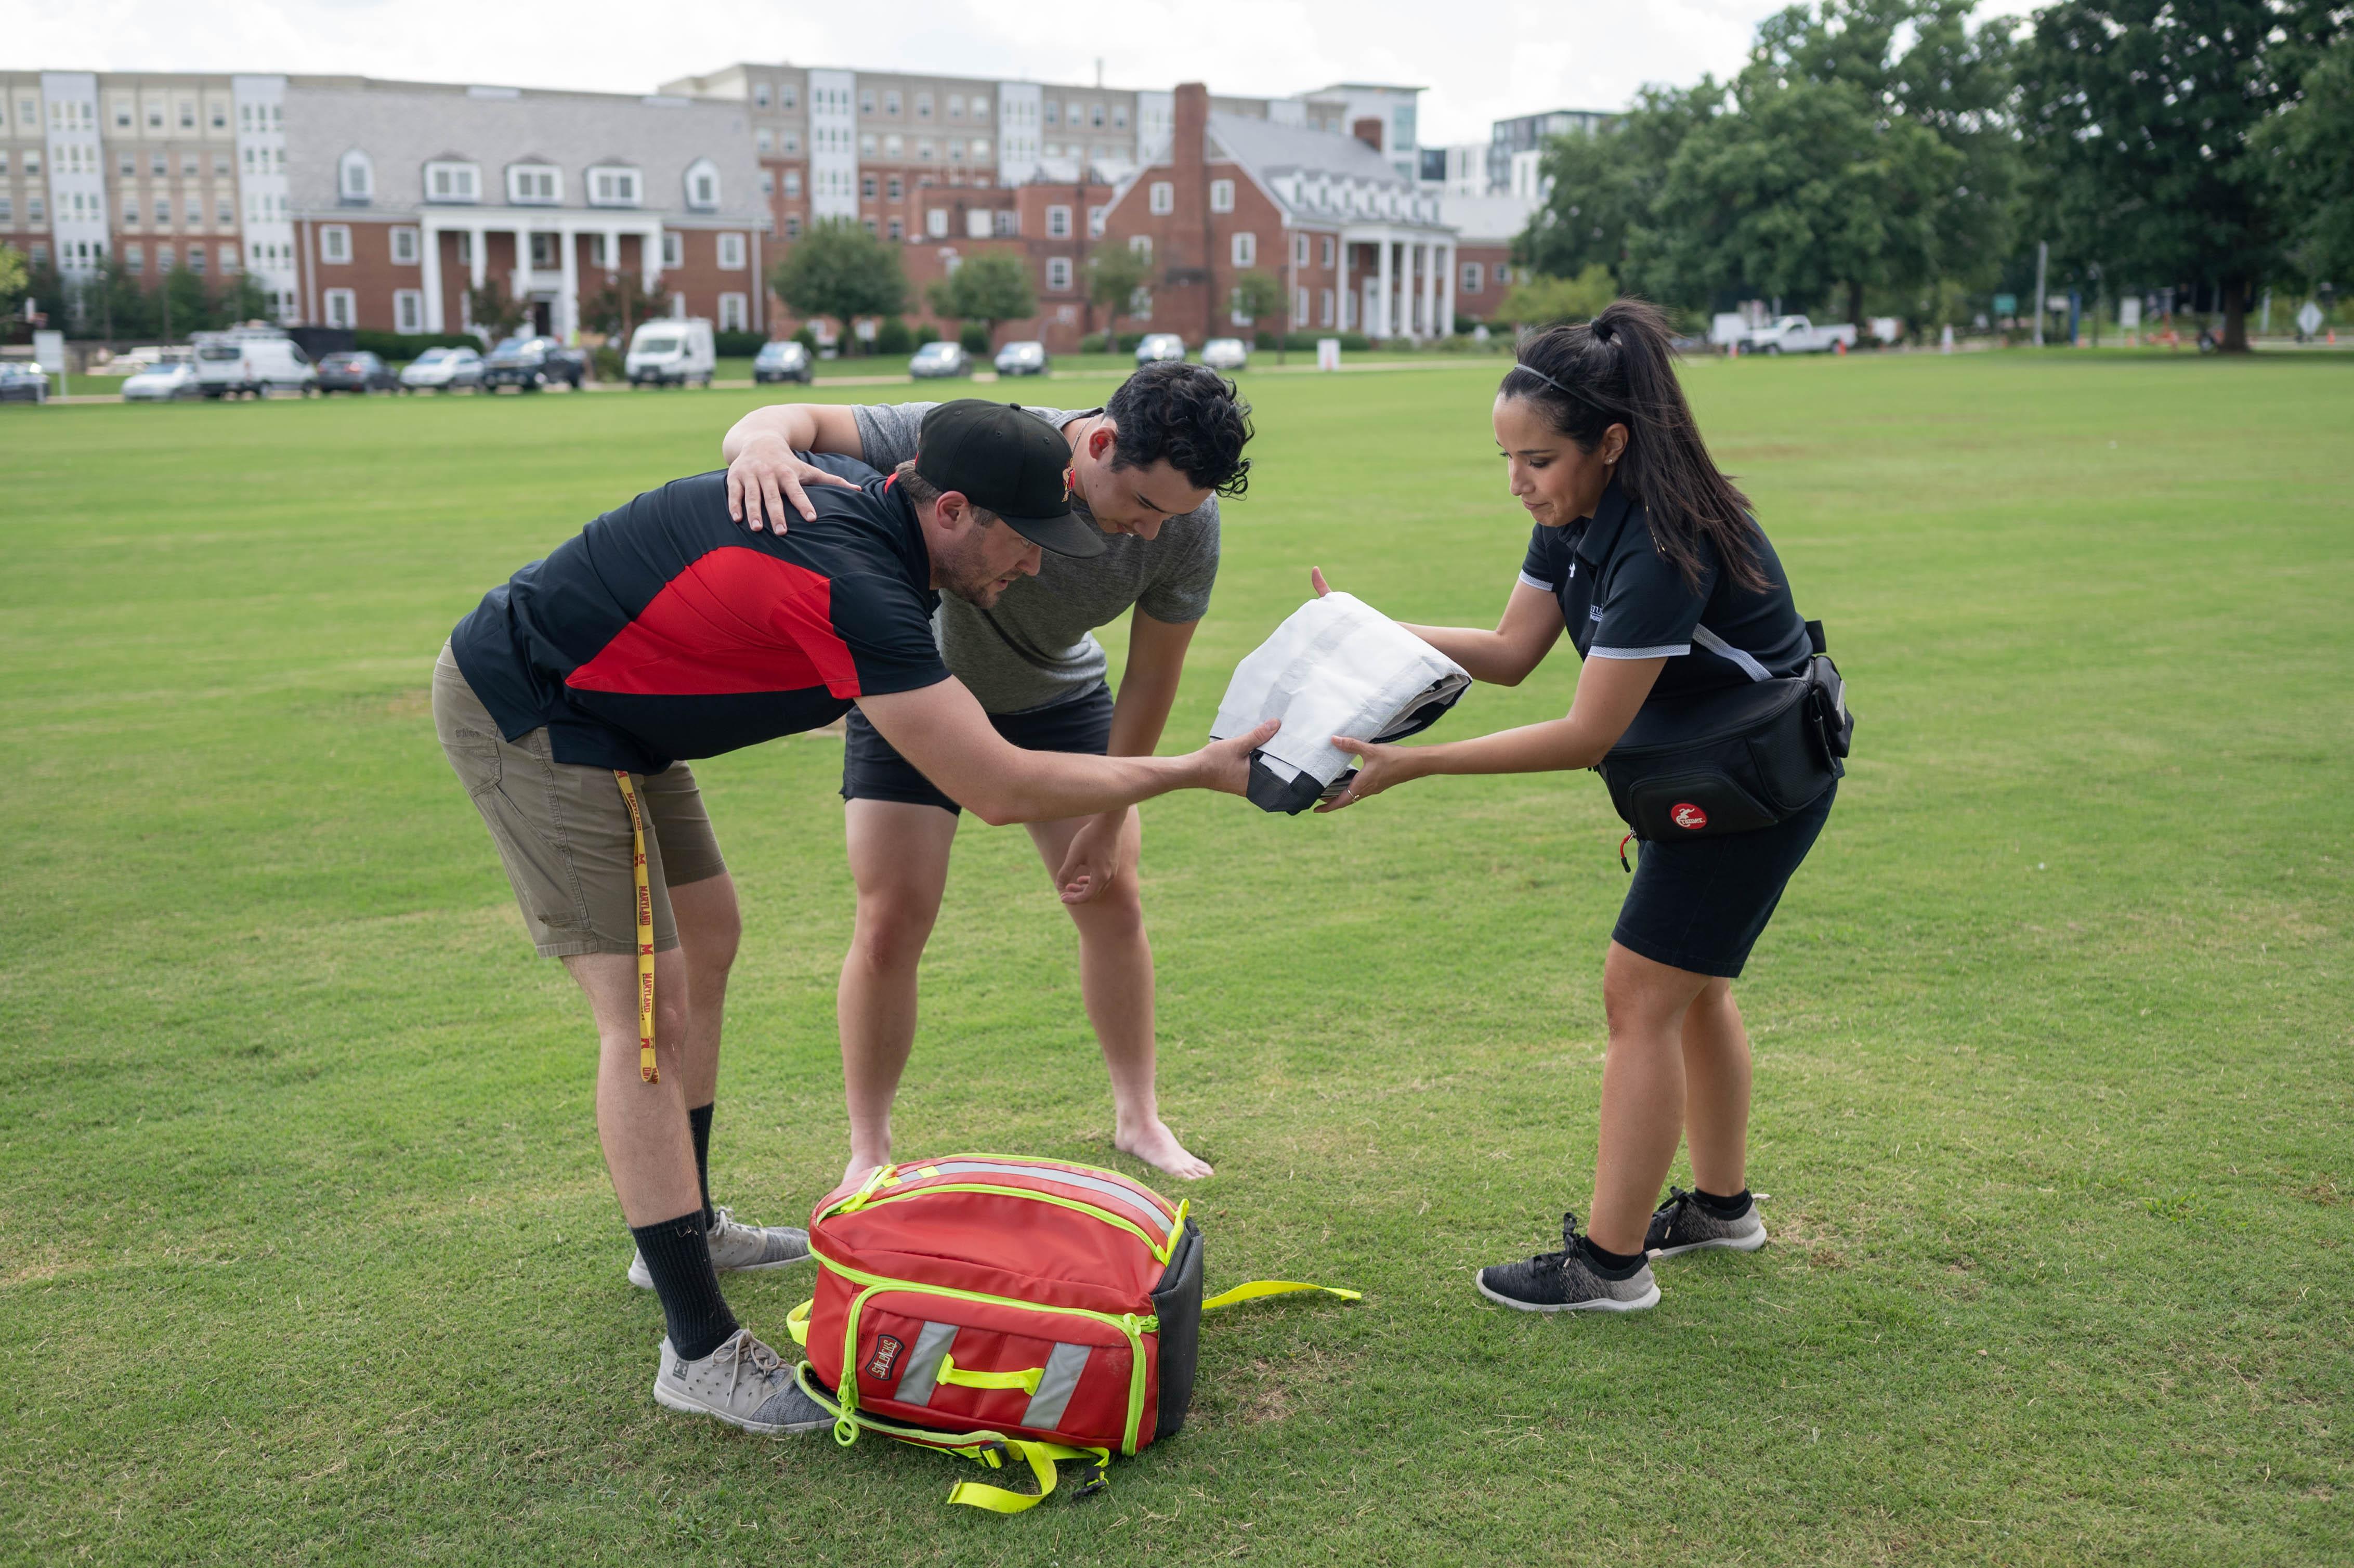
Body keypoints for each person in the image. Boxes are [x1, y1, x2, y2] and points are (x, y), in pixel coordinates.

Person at [433, 400, 1273, 1435]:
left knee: (710, 937)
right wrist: (1192, 769)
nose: (1035, 569)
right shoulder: (859, 583)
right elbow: (998, 785)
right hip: (535, 706)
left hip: (622, 718)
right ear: (954, 509)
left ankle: (690, 1222)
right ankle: (697, 1349)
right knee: (647, 1011)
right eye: (1024, 544)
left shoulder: (890, 531)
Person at [1315, 299, 1837, 1314]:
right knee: (1691, 990)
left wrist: (1412, 764)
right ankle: (1721, 1210)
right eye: (1505, 459)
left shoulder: (1660, 541)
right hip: (1707, 776)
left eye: (1537, 460)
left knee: (1639, 997)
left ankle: (1607, 1266)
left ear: (1610, 443)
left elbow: (1584, 732)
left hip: (1755, 786)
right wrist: (1367, 626)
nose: (1518, 483)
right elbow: (1512, 654)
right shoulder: (1575, 518)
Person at [717, 364, 1251, 1184]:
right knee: (891, 919)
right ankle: (869, 1152)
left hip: (1057, 697)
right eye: (1144, 507)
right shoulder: (977, 435)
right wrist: (757, 444)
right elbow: (790, 415)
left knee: (1113, 899)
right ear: (1100, 444)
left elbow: (1151, 678)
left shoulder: (1186, 521)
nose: (1151, 534)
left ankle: (1139, 1119)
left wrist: (1111, 819)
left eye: (1173, 515)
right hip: (914, 703)